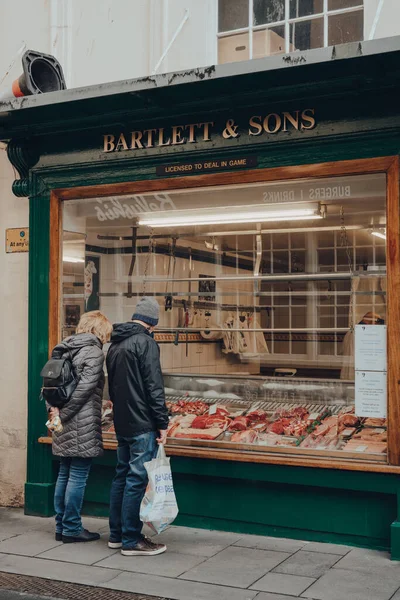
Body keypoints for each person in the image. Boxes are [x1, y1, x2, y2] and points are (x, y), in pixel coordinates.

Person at [107, 297, 169, 556]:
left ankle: (117, 534)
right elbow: (154, 388)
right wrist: (162, 423)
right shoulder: (146, 343)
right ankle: (131, 540)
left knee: (122, 476)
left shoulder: (115, 344)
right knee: (136, 479)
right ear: (152, 322)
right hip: (142, 422)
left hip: (122, 421)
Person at [48, 310, 113, 543]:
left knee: (64, 472)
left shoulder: (63, 347)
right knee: (77, 475)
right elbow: (84, 391)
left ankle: (61, 526)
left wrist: (55, 412)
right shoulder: (94, 352)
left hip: (62, 421)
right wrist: (64, 415)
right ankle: (72, 528)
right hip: (80, 422)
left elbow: (50, 385)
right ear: (100, 330)